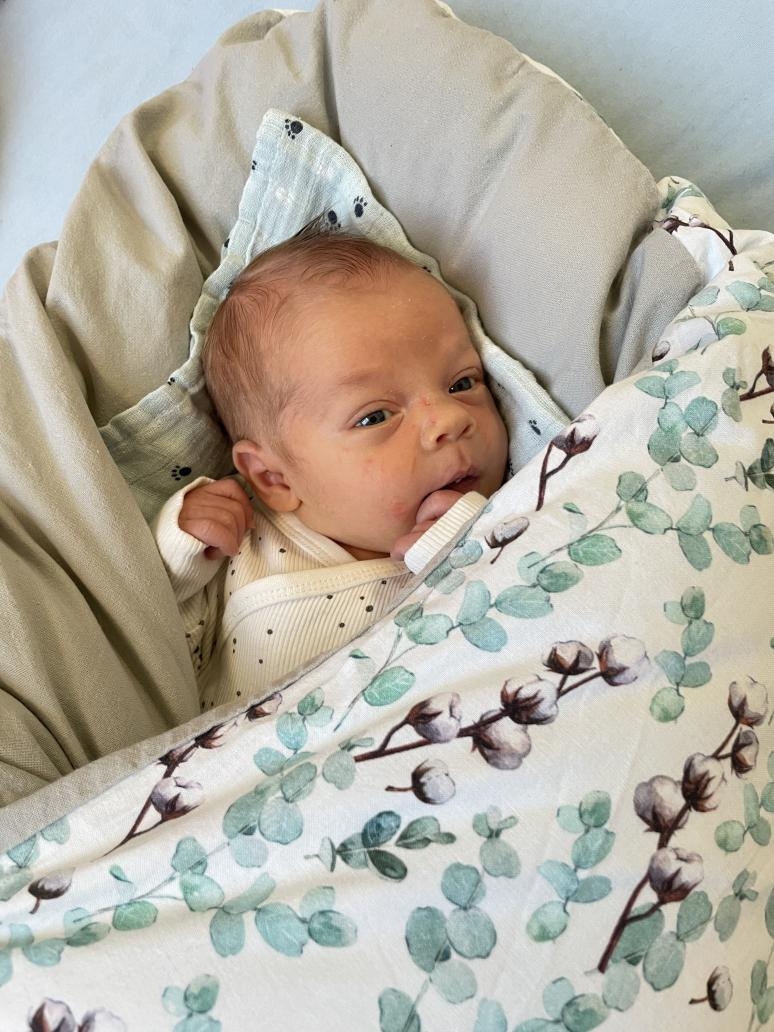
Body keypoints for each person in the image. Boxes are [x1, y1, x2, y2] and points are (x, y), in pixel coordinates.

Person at [152, 232, 509, 709]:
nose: (450, 419)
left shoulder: (503, 514)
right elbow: (159, 649)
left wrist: (470, 543)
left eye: (462, 383)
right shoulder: (244, 541)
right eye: (375, 416)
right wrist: (181, 553)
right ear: (274, 478)